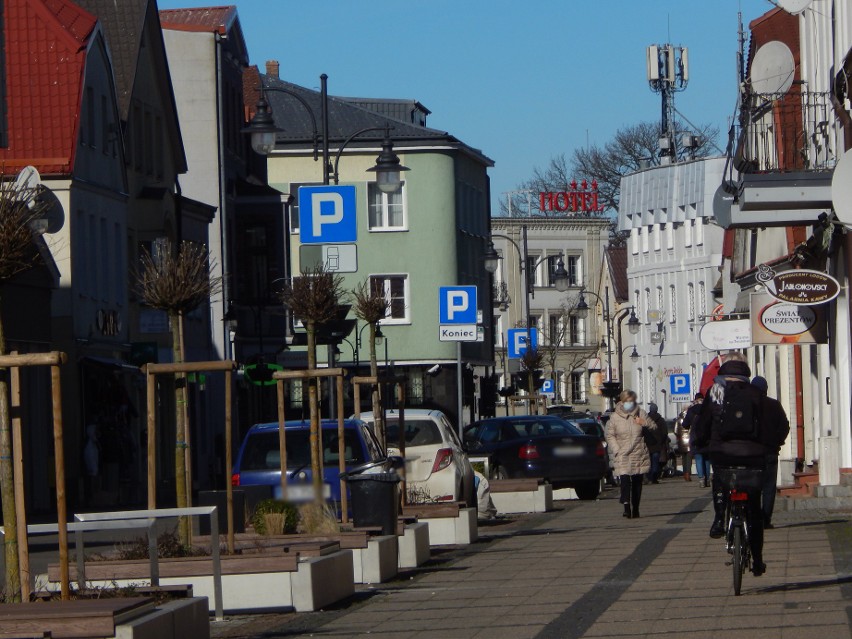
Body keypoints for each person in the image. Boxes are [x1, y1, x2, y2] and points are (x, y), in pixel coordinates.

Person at [691, 354, 770, 576]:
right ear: (745, 372)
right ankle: (758, 560)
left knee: (721, 481)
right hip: (752, 456)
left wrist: (700, 443)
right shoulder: (757, 394)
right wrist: (769, 447)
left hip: (722, 453)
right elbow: (769, 424)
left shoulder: (714, 394)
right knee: (753, 507)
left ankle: (718, 519)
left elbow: (702, 424)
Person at [605, 389, 652, 519]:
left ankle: (635, 508)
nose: (629, 404)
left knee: (637, 482)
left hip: (638, 452)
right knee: (625, 480)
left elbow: (653, 428)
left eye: (631, 401)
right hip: (623, 453)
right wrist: (616, 449)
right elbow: (610, 435)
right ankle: (626, 507)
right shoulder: (615, 417)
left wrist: (644, 423)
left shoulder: (641, 413)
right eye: (627, 401)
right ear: (622, 401)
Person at [751, 376, 790, 529]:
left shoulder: (748, 405)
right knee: (769, 487)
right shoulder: (774, 405)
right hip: (770, 451)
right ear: (765, 389)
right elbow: (785, 426)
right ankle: (765, 519)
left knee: (752, 486)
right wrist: (777, 441)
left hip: (752, 453)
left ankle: (754, 518)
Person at [675, 393, 703, 481]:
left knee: (684, 458)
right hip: (690, 438)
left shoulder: (679, 418)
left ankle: (685, 473)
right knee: (690, 457)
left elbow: (676, 430)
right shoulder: (693, 414)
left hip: (682, 441)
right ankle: (689, 474)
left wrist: (679, 436)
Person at [645, 403, 668, 483]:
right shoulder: (661, 420)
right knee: (655, 461)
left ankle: (649, 476)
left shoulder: (646, 420)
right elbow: (665, 432)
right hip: (657, 445)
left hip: (647, 444)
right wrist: (662, 441)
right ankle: (654, 476)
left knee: (648, 461)